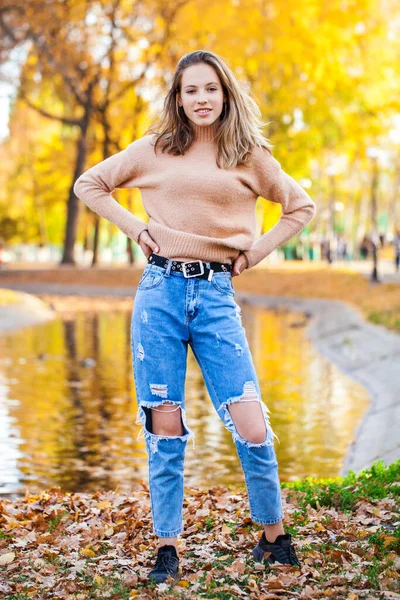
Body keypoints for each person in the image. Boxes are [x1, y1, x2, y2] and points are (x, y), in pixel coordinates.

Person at [73, 50, 316, 584]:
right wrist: (137, 230)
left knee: (251, 423)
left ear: (225, 94)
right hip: (159, 292)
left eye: (210, 89)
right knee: (166, 422)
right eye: (190, 91)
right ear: (177, 99)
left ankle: (273, 538)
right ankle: (168, 547)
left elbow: (300, 206)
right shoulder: (156, 148)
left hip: (216, 296)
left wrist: (255, 251)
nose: (201, 99)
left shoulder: (247, 154)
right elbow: (89, 185)